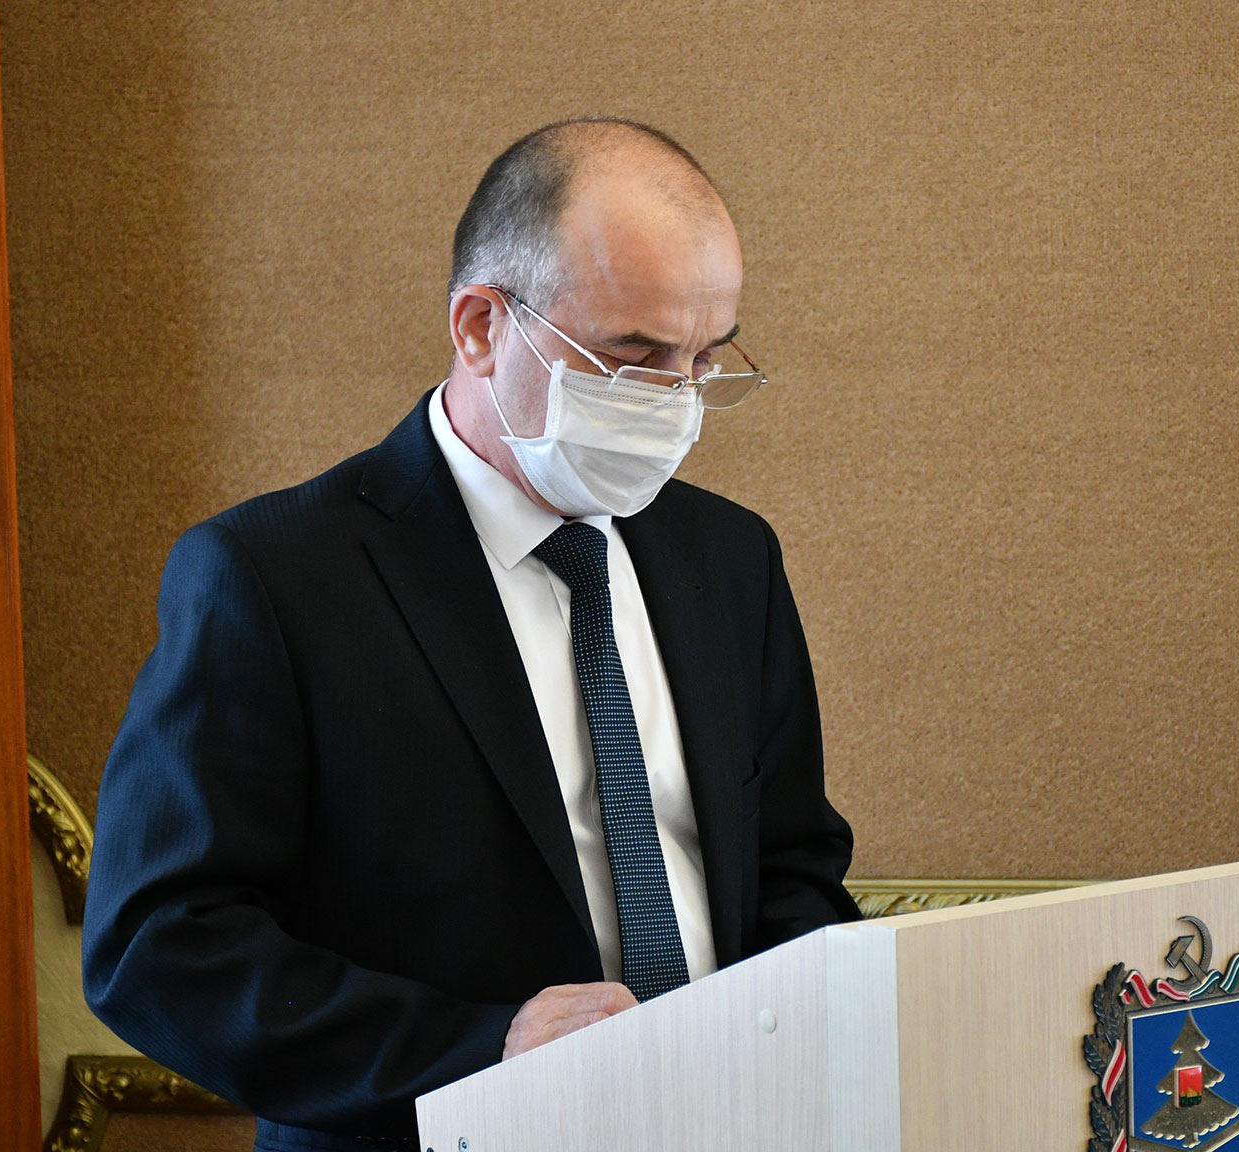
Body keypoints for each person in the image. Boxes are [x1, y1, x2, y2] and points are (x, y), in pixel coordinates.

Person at [83, 118, 860, 1152]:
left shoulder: (730, 557)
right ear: (482, 327)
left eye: (704, 357)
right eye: (632, 357)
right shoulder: (273, 577)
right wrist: (485, 1053)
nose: (677, 402)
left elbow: (793, 866)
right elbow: (158, 946)